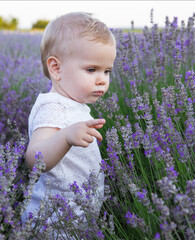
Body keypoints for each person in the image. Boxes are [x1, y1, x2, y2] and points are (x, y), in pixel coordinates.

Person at [22, 11, 117, 234]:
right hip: (53, 222)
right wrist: (64, 137)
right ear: (56, 68)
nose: (102, 79)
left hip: (76, 214)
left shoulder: (72, 104)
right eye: (91, 70)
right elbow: (34, 158)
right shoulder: (53, 108)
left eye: (107, 71)